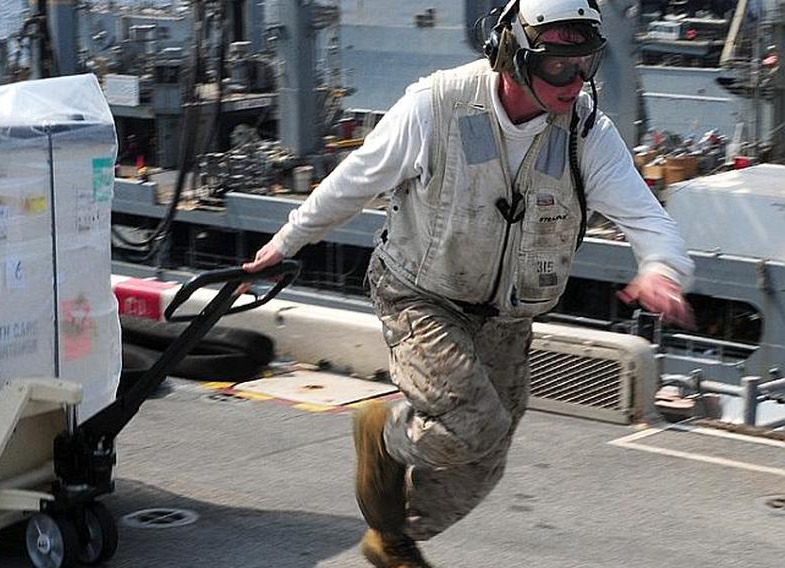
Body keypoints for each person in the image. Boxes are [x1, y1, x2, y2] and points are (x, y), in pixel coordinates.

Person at [243, 0, 695, 566]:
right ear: (513, 53)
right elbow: (357, 179)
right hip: (421, 295)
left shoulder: (586, 134)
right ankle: (382, 431)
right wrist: (286, 240)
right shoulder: (437, 107)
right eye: (559, 65)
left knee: (484, 459)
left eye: (586, 64)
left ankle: (395, 538)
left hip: (506, 317)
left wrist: (661, 269)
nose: (576, 82)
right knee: (471, 424)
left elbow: (647, 218)